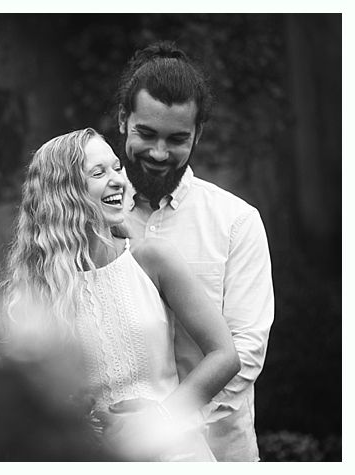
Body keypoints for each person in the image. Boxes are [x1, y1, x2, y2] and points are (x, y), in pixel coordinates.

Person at [0, 128, 240, 461]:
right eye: (98, 173)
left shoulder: (153, 259)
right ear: (63, 194)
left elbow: (225, 355)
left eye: (116, 167)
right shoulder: (39, 290)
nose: (117, 180)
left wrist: (162, 416)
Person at [113, 41, 274, 461]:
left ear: (197, 135)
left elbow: (246, 351)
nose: (159, 153)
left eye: (177, 139)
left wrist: (164, 420)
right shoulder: (89, 220)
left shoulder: (237, 222)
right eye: (146, 134)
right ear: (122, 121)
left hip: (218, 450)